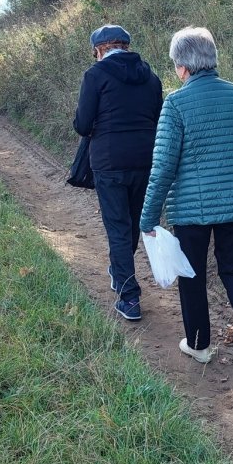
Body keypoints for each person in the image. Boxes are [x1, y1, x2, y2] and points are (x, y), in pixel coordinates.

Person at [139, 26, 233, 385]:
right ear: (212, 59)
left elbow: (163, 166)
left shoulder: (176, 104)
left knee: (191, 273)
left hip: (193, 210)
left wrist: (148, 217)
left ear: (182, 66)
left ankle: (199, 344)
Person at [73, 25, 163, 321]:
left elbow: (83, 125)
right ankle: (120, 270)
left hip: (109, 161)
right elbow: (157, 117)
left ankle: (129, 296)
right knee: (133, 222)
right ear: (126, 46)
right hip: (145, 159)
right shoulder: (151, 77)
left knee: (117, 227)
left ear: (99, 49)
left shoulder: (94, 75)